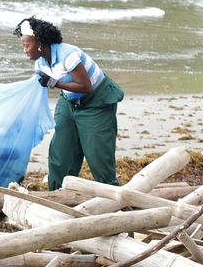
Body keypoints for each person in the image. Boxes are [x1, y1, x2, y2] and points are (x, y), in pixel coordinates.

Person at [14, 16, 124, 191]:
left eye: (26, 45)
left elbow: (85, 86)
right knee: (61, 152)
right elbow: (38, 89)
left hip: (96, 102)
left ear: (39, 43)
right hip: (68, 101)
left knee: (98, 155)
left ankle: (112, 196)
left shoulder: (67, 54)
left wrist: (54, 83)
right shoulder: (40, 63)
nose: (24, 50)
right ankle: (57, 194)